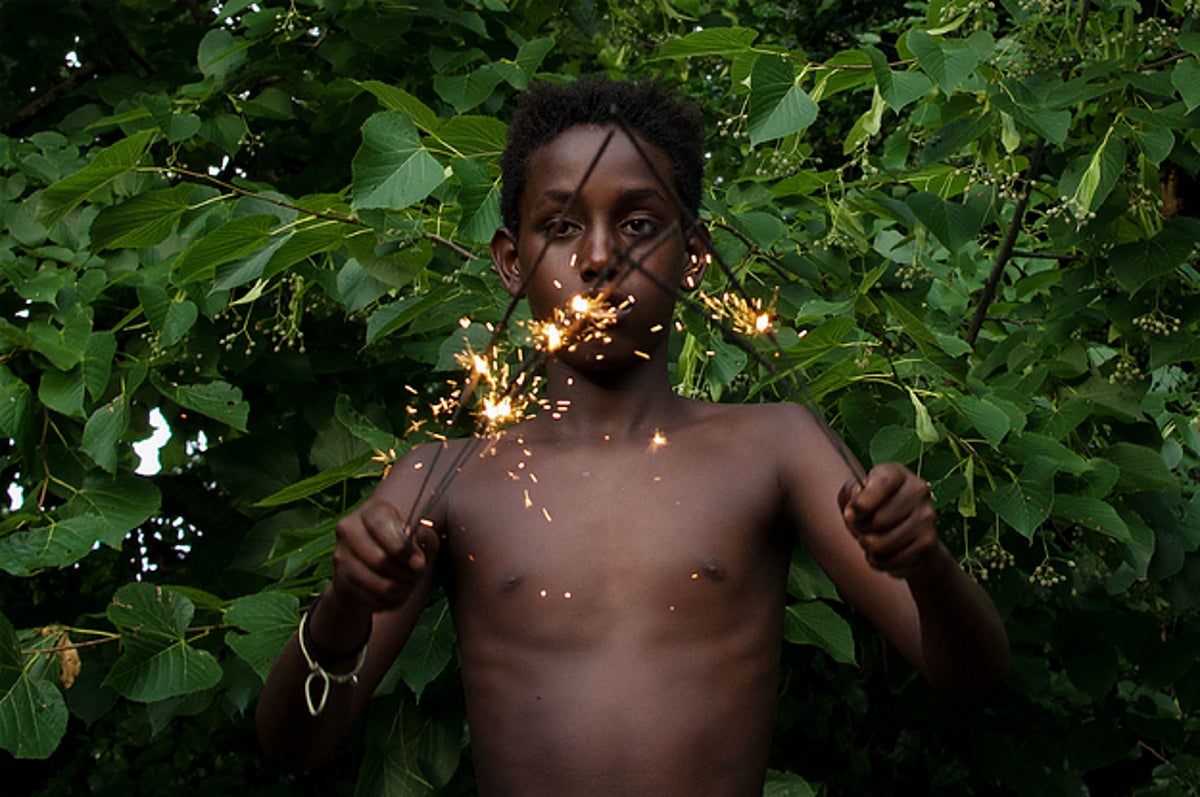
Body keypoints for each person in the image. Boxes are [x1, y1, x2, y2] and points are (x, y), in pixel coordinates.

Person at [256, 78, 1009, 796]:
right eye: (560, 226)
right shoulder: (452, 477)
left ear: (694, 253)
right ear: (513, 262)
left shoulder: (775, 446)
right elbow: (296, 747)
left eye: (640, 224)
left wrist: (927, 563)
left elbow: (973, 678)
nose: (597, 257)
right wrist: (343, 605)